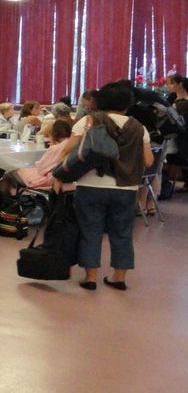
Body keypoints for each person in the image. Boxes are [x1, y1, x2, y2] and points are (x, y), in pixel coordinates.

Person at [64, 82, 151, 291]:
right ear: (128, 103)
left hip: (91, 184)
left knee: (90, 230)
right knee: (121, 233)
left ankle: (91, 278)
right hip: (126, 188)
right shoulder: (139, 127)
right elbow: (148, 161)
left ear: (100, 101)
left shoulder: (88, 121)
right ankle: (119, 278)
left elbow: (69, 149)